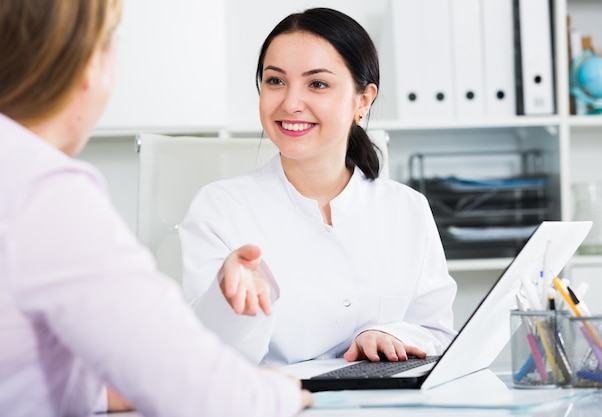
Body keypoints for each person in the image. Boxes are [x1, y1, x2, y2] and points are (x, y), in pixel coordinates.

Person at [0, 1, 313, 416]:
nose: (292, 103)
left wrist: (95, 393)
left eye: (318, 85)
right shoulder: (43, 194)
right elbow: (195, 388)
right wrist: (281, 392)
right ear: (91, 64)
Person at [179, 7, 458, 368]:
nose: (291, 103)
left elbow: (437, 333)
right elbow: (208, 359)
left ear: (363, 100)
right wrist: (231, 302)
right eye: (275, 81)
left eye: (318, 84)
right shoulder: (219, 208)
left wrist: (394, 336)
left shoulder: (407, 208)